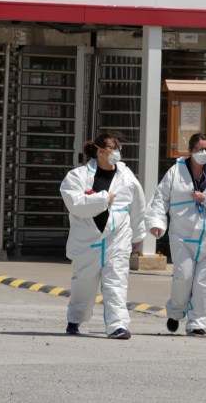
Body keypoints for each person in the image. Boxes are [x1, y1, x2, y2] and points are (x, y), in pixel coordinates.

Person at [146, 132, 206, 337]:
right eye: (200, 149)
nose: (204, 153)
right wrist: (156, 222)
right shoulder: (176, 172)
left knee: (205, 282)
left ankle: (198, 323)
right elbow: (160, 198)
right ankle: (175, 312)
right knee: (184, 277)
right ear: (190, 151)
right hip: (183, 235)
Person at [59, 130, 146, 339]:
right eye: (112, 147)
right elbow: (76, 204)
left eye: (118, 148)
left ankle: (118, 325)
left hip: (118, 237)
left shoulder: (127, 177)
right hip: (87, 240)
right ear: (99, 151)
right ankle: (75, 317)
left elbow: (138, 207)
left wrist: (137, 236)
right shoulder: (77, 176)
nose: (116, 152)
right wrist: (102, 199)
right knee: (84, 284)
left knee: (116, 281)